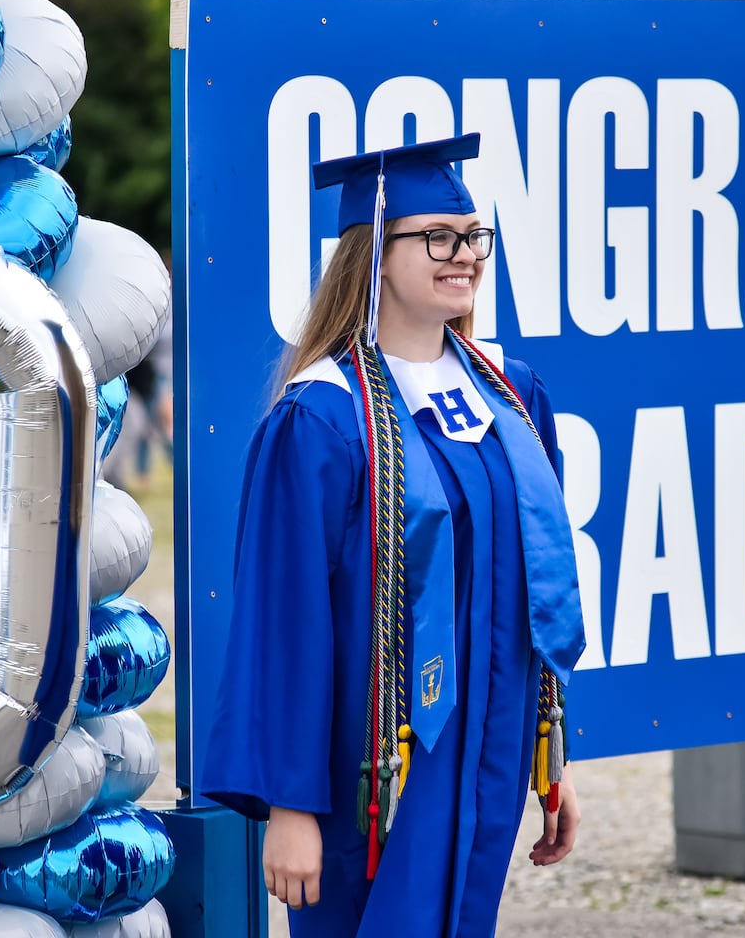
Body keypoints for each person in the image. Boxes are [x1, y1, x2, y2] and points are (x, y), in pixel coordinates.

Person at [200, 133, 586, 938]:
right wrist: (292, 806)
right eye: (437, 237)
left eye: (472, 236)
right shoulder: (323, 418)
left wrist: (550, 760)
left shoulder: (510, 398)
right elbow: (284, 626)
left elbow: (527, 603)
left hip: (484, 756)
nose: (464, 256)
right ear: (373, 251)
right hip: (367, 771)